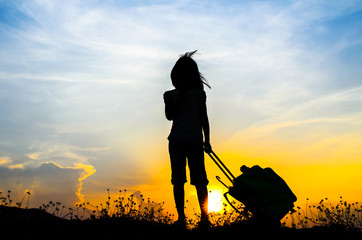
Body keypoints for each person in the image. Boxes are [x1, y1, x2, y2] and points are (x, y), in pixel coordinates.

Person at [163, 50, 212, 228]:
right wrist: (177, 102)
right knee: (178, 179)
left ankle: (205, 218)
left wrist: (207, 141)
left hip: (196, 142)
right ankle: (181, 218)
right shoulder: (170, 95)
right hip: (177, 141)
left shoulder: (198, 95)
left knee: (200, 180)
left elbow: (204, 118)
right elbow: (169, 116)